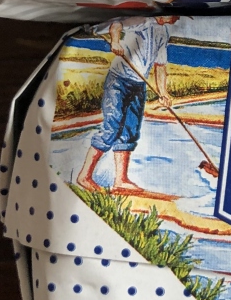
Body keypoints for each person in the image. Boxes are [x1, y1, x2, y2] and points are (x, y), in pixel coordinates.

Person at [75, 16, 178, 194]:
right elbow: (116, 25)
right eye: (175, 14)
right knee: (112, 127)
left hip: (139, 85)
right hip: (118, 80)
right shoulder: (143, 21)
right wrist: (115, 41)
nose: (176, 18)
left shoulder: (163, 32)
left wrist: (163, 93)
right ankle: (84, 176)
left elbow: (160, 65)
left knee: (130, 130)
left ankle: (120, 180)